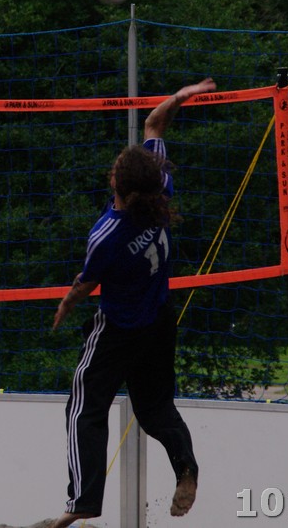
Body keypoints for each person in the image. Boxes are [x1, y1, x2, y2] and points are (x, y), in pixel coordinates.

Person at [49, 78, 216, 528]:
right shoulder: (162, 191)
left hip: (119, 328)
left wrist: (66, 304)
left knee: (84, 407)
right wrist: (181, 96)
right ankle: (186, 470)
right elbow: (155, 123)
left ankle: (83, 500)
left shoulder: (106, 234)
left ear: (116, 184)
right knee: (155, 409)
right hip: (159, 320)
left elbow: (87, 282)